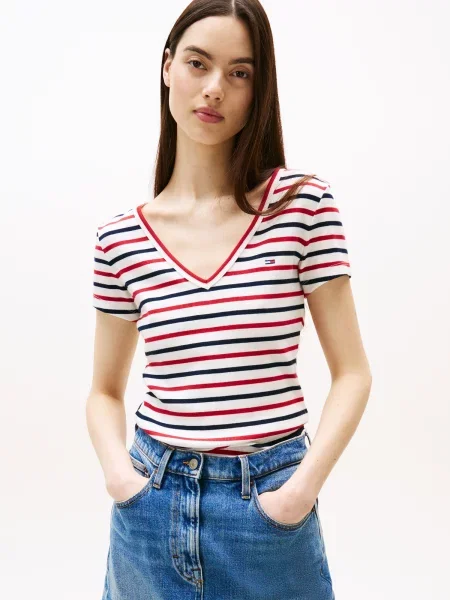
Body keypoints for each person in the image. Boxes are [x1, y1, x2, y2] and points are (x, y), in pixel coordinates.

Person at [87, 1, 372, 598]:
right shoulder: (120, 239)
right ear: (167, 66)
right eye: (198, 63)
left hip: (267, 508)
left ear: (258, 90)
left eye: (240, 72)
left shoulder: (301, 207)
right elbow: (105, 391)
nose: (215, 87)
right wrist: (121, 479)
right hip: (149, 504)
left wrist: (298, 493)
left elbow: (353, 373)